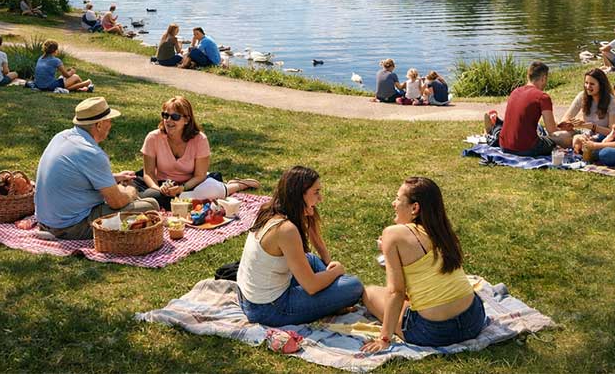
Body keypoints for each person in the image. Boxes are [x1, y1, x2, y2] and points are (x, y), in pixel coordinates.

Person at [361, 177, 487, 352]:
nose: (393, 203)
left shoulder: (392, 234)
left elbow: (396, 292)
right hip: (473, 320)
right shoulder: (441, 230)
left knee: (370, 292)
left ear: (415, 207)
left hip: (434, 332)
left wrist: (384, 338)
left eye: (398, 198)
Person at [236, 166, 363, 327]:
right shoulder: (286, 230)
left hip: (247, 297)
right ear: (299, 194)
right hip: (268, 310)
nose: (321, 198)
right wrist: (337, 271)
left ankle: (334, 296)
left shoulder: (269, 210)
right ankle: (335, 297)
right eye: (316, 192)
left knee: (309, 259)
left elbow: (317, 243)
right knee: (354, 286)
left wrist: (328, 263)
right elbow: (311, 286)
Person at [34, 97, 159, 240]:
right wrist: (130, 190)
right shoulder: (91, 153)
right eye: (109, 120)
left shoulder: (61, 137)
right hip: (70, 227)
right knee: (150, 206)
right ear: (99, 125)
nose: (111, 125)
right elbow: (116, 202)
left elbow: (78, 177)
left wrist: (115, 178)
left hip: (46, 221)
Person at [134, 96, 259, 210]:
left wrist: (182, 188)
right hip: (162, 184)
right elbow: (148, 173)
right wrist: (159, 189)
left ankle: (236, 185)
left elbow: (199, 176)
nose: (168, 120)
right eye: (165, 115)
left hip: (191, 184)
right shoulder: (153, 137)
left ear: (187, 120)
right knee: (153, 196)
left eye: (175, 117)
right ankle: (180, 200)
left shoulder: (200, 140)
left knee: (210, 190)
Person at [488, 61, 566, 156]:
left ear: (528, 76)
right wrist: (564, 131)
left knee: (538, 129)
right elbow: (552, 131)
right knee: (562, 138)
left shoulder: (515, 92)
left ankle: (495, 128)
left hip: (504, 145)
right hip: (526, 148)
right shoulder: (543, 97)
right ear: (543, 78)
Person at [557, 68, 615, 148]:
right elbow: (565, 118)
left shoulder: (612, 102)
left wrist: (592, 127)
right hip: (586, 133)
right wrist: (570, 124)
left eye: (592, 84)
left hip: (604, 137)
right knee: (559, 136)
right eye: (586, 83)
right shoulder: (582, 96)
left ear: (601, 85)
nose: (588, 86)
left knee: (581, 142)